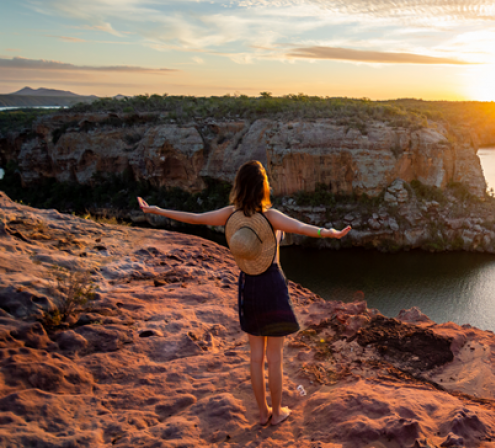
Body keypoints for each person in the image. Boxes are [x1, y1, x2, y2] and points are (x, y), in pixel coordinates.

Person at [137, 160, 351, 426]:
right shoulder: (270, 216)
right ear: (263, 187)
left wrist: (157, 209)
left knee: (255, 355)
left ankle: (262, 413)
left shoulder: (230, 214)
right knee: (275, 358)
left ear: (239, 186)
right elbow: (303, 228)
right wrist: (331, 233)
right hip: (271, 285)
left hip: (248, 283)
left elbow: (193, 218)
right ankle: (277, 413)